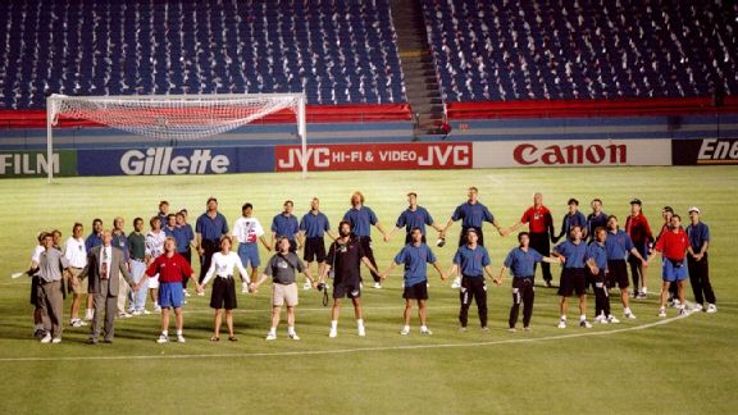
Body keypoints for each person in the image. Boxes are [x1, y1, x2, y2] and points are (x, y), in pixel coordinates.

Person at [320, 220, 382, 338]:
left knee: (357, 303)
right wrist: (322, 279)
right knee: (337, 303)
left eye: (347, 228)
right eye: (343, 228)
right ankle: (333, 329)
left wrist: (376, 272)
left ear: (350, 230)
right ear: (340, 229)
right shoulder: (335, 245)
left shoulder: (356, 244)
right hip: (339, 280)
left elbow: (365, 259)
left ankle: (360, 327)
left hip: (353, 279)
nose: (345, 230)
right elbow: (328, 263)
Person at [380, 228, 446, 335]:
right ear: (412, 236)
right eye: (414, 234)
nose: (417, 235)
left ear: (422, 235)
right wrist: (386, 273)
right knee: (409, 305)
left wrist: (441, 272)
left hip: (422, 280)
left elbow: (434, 261)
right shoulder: (407, 249)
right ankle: (406, 327)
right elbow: (396, 262)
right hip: (410, 280)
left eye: (418, 233)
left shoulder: (425, 248)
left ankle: (423, 327)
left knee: (422, 304)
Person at [78, 230, 136, 344]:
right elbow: (88, 267)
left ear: (111, 238)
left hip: (112, 284)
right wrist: (80, 277)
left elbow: (123, 269)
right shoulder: (94, 251)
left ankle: (108, 336)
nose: (106, 238)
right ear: (101, 238)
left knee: (110, 313)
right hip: (99, 284)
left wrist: (131, 282)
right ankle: (94, 336)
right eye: (104, 236)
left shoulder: (118, 253)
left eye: (108, 236)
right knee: (98, 311)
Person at [253, 237, 316, 341]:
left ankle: (291, 332)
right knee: (276, 310)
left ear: (289, 245)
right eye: (281, 243)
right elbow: (266, 273)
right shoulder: (274, 258)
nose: (283, 245)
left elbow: (304, 269)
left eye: (285, 243)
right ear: (279, 245)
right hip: (278, 286)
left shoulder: (294, 257)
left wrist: (313, 280)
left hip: (291, 286)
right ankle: (272, 332)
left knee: (291, 309)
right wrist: (258, 283)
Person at [136, 237, 198, 343]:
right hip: (164, 286)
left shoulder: (180, 259)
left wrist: (197, 284)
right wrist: (139, 284)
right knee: (165, 311)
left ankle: (179, 334)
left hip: (176, 286)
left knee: (178, 311)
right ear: (164, 246)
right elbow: (149, 272)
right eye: (167, 244)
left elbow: (190, 272)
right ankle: (164, 334)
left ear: (174, 246)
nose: (168, 245)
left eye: (171, 244)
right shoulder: (160, 259)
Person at [443, 187, 506, 289]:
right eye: (470, 193)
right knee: (461, 253)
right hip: (465, 231)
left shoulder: (482, 208)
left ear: (477, 194)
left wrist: (499, 228)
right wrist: (445, 230)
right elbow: (453, 219)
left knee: (479, 254)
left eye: (474, 193)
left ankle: (481, 278)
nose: (472, 195)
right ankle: (458, 278)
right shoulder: (462, 207)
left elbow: (492, 219)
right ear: (468, 194)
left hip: (477, 232)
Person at [498, 232, 561, 332]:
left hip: (530, 281)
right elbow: (505, 266)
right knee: (517, 303)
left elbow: (543, 258)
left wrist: (556, 260)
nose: (524, 240)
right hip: (518, 281)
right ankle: (512, 325)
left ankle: (526, 325)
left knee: (529, 304)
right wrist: (500, 278)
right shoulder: (514, 252)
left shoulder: (532, 252)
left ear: (529, 240)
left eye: (526, 238)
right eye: (522, 238)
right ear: (519, 240)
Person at [198, 235, 252, 342]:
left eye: (227, 243)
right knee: (218, 310)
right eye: (223, 243)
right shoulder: (216, 255)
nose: (225, 245)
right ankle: (216, 335)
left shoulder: (234, 255)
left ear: (230, 245)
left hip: (229, 282)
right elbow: (211, 271)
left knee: (229, 310)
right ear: (220, 245)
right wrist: (203, 284)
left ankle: (231, 334)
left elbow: (242, 269)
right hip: (219, 282)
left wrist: (249, 282)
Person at [448, 228, 501, 331]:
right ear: (467, 237)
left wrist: (494, 278)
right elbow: (456, 264)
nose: (472, 237)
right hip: (466, 280)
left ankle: (484, 325)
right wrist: (447, 275)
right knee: (465, 304)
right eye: (470, 236)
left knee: (482, 304)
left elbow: (487, 266)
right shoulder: (461, 250)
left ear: (477, 237)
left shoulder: (482, 250)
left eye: (474, 236)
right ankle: (463, 325)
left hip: (479, 280)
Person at [506, 192, 556, 287]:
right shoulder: (530, 211)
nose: (537, 199)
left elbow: (551, 225)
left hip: (543, 236)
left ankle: (547, 279)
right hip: (533, 236)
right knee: (531, 257)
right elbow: (521, 222)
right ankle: (530, 278)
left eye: (538, 198)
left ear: (541, 199)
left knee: (545, 258)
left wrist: (553, 237)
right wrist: (510, 230)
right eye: (535, 198)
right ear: (533, 199)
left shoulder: (546, 211)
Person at [604, 215, 647, 320]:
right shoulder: (604, 235)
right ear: (607, 224)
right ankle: (605, 312)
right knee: (606, 289)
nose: (612, 223)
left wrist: (641, 259)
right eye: (610, 221)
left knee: (624, 288)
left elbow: (632, 249)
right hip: (608, 264)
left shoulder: (624, 235)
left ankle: (627, 311)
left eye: (614, 221)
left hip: (621, 263)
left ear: (617, 222)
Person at [342, 191, 388, 289]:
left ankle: (377, 280)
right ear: (353, 200)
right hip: (354, 239)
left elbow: (376, 223)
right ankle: (358, 281)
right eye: (355, 198)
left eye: (358, 197)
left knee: (370, 259)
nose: (357, 199)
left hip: (366, 239)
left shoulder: (367, 211)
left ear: (361, 199)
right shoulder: (349, 213)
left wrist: (384, 233)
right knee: (355, 261)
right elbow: (344, 228)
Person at [551, 226, 592, 329]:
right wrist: (559, 255)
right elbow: (553, 250)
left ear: (581, 234)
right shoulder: (565, 244)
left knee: (583, 296)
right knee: (565, 297)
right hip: (568, 272)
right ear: (571, 233)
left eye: (578, 231)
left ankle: (583, 320)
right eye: (574, 231)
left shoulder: (584, 245)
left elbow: (587, 258)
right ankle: (563, 320)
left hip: (580, 272)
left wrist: (592, 266)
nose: (576, 233)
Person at [651, 214, 691, 317]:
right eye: (673, 220)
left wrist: (688, 256)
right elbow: (658, 248)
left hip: (680, 263)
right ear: (671, 222)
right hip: (669, 262)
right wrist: (649, 259)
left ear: (680, 222)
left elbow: (687, 247)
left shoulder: (683, 234)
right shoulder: (666, 235)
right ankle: (662, 309)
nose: (675, 222)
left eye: (677, 220)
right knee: (666, 285)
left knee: (681, 285)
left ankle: (682, 308)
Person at [35, 233, 70, 343]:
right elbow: (40, 269)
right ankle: (48, 333)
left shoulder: (57, 253)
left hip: (54, 285)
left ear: (52, 241)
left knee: (56, 311)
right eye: (45, 240)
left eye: (49, 240)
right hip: (42, 285)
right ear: (43, 242)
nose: (47, 242)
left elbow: (66, 266)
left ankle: (57, 334)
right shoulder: (41, 255)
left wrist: (71, 277)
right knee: (45, 311)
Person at [232, 202, 272, 294]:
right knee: (242, 267)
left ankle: (252, 286)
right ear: (243, 211)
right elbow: (234, 235)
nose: (248, 211)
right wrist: (230, 247)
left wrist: (266, 245)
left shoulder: (255, 221)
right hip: (243, 245)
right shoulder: (239, 221)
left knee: (255, 266)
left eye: (250, 210)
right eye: (246, 210)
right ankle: (245, 285)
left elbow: (260, 234)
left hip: (253, 245)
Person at [299, 197, 336, 290]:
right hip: (309, 240)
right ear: (311, 204)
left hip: (320, 240)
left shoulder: (323, 217)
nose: (315, 205)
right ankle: (308, 281)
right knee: (309, 262)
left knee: (322, 262)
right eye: (313, 203)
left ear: (318, 204)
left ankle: (321, 281)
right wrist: (301, 243)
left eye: (316, 203)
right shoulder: (306, 217)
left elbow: (328, 230)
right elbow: (302, 232)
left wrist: (337, 239)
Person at [686, 207, 716, 313]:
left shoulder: (704, 227)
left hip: (701, 255)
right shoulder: (688, 229)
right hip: (691, 255)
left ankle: (711, 303)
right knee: (694, 281)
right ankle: (699, 302)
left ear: (698, 215)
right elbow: (687, 244)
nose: (692, 216)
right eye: (691, 214)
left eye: (694, 214)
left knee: (704, 280)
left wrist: (701, 254)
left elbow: (705, 242)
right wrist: (692, 254)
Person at [586, 227, 618, 324]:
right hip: (596, 273)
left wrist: (606, 269)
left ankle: (600, 314)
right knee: (602, 294)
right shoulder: (593, 246)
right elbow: (590, 258)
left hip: (603, 272)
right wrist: (594, 267)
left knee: (603, 293)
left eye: (604, 234)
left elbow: (604, 259)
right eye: (601, 234)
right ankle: (605, 315)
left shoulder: (603, 246)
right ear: (596, 235)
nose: (603, 236)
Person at [625, 198, 653, 299]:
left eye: (635, 205)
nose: (633, 207)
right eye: (632, 205)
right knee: (633, 268)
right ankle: (636, 290)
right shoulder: (629, 218)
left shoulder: (642, 219)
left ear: (639, 207)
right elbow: (626, 231)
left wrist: (649, 245)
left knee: (641, 267)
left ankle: (644, 290)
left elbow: (648, 232)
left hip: (640, 246)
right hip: (631, 246)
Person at [196, 197, 229, 284]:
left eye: (213, 203)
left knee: (220, 264)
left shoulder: (221, 218)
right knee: (205, 266)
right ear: (207, 205)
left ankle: (220, 283)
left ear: (217, 205)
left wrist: (224, 245)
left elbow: (225, 232)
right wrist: (200, 247)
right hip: (206, 244)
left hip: (217, 244)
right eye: (210, 204)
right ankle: (201, 285)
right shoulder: (201, 218)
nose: (211, 205)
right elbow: (199, 234)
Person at [63, 223, 88, 327]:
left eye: (80, 230)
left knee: (81, 295)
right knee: (77, 294)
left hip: (82, 271)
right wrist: (72, 275)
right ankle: (73, 319)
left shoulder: (81, 241)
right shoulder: (69, 242)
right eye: (77, 230)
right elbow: (66, 261)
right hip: (74, 271)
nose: (79, 232)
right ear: (73, 230)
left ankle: (76, 317)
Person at [654, 206, 679, 305]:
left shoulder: (675, 225)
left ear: (671, 214)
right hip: (666, 255)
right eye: (664, 213)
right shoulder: (665, 225)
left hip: (675, 255)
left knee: (675, 276)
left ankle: (676, 298)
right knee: (669, 275)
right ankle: (672, 295)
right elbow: (660, 238)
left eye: (667, 213)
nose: (665, 215)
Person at [145, 216, 167, 312]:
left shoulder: (163, 234)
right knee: (153, 285)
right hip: (153, 261)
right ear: (152, 224)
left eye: (158, 222)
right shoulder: (148, 235)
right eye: (154, 222)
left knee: (163, 283)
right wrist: (148, 261)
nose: (156, 224)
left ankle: (163, 302)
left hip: (163, 261)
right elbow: (147, 250)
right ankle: (156, 304)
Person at [111, 217, 132, 319]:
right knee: (116, 287)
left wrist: (129, 261)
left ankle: (121, 310)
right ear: (114, 224)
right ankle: (115, 310)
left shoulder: (124, 236)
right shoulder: (111, 236)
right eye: (118, 222)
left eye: (121, 222)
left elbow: (126, 250)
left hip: (124, 264)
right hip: (115, 264)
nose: (120, 224)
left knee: (124, 287)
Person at [127, 217, 148, 315]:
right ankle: (131, 306)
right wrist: (129, 263)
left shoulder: (142, 237)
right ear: (134, 225)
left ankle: (140, 306)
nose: (140, 225)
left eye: (141, 224)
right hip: (134, 262)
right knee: (134, 284)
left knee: (143, 284)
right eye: (138, 224)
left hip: (142, 263)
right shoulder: (131, 237)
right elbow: (128, 251)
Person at [28, 232, 47, 338]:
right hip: (39, 280)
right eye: (44, 239)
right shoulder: (39, 249)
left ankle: (44, 326)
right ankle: (38, 328)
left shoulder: (45, 249)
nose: (46, 241)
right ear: (41, 240)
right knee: (39, 305)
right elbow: (35, 263)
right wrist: (33, 269)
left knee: (44, 305)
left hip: (45, 279)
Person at [173, 211, 195, 295]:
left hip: (186, 252)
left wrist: (197, 248)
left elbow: (190, 239)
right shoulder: (173, 229)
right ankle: (179, 289)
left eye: (180, 218)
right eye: (177, 218)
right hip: (177, 253)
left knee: (186, 270)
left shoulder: (187, 227)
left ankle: (184, 287)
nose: (179, 220)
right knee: (178, 271)